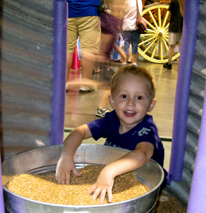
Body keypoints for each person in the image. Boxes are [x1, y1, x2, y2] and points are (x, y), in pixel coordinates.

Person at [55, 66, 165, 204]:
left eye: (139, 97)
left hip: (142, 183)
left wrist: (109, 171)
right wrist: (66, 155)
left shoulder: (147, 129)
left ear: (151, 105)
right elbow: (79, 131)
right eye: (124, 96)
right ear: (112, 101)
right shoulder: (111, 120)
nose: (131, 103)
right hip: (111, 175)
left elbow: (142, 154)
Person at [66, 0, 101, 92]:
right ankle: (85, 84)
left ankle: (63, 83)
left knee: (66, 49)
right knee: (88, 50)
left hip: (67, 12)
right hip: (90, 12)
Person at [121, 0, 143, 67]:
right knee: (135, 45)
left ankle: (125, 61)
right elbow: (140, 12)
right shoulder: (138, 1)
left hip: (126, 25)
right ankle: (134, 62)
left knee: (126, 44)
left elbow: (122, 13)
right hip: (136, 25)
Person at [163, 0, 183, 70]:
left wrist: (169, 19)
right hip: (183, 26)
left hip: (174, 25)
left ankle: (169, 62)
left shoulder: (174, 1)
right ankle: (181, 65)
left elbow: (170, 13)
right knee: (182, 47)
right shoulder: (186, 2)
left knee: (171, 45)